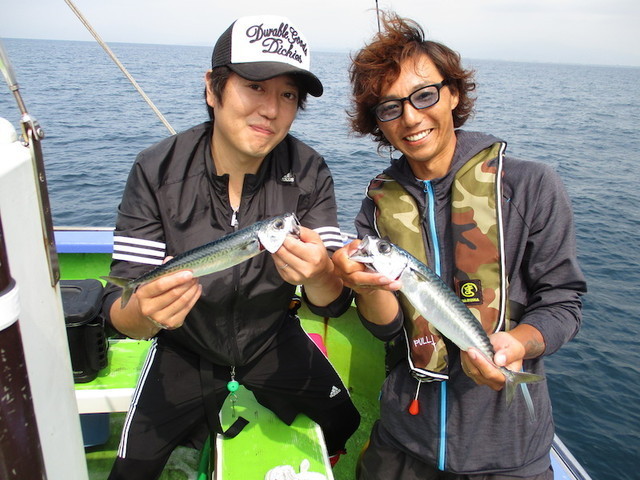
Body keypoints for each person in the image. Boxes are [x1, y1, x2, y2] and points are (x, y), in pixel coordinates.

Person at [102, 15, 360, 480]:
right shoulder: (156, 169)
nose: (271, 110)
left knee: (345, 421)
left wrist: (321, 274)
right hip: (182, 345)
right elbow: (121, 313)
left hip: (272, 337)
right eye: (255, 86)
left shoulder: (310, 171)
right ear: (212, 88)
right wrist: (146, 312)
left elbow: (334, 302)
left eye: (288, 95)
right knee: (130, 471)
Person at [331, 12, 587, 479]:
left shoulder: (531, 186)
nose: (411, 117)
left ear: (452, 94)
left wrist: (516, 345)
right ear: (378, 123)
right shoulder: (378, 205)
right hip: (404, 441)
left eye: (424, 95)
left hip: (508, 452)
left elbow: (563, 302)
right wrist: (365, 287)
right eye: (389, 107)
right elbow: (387, 330)